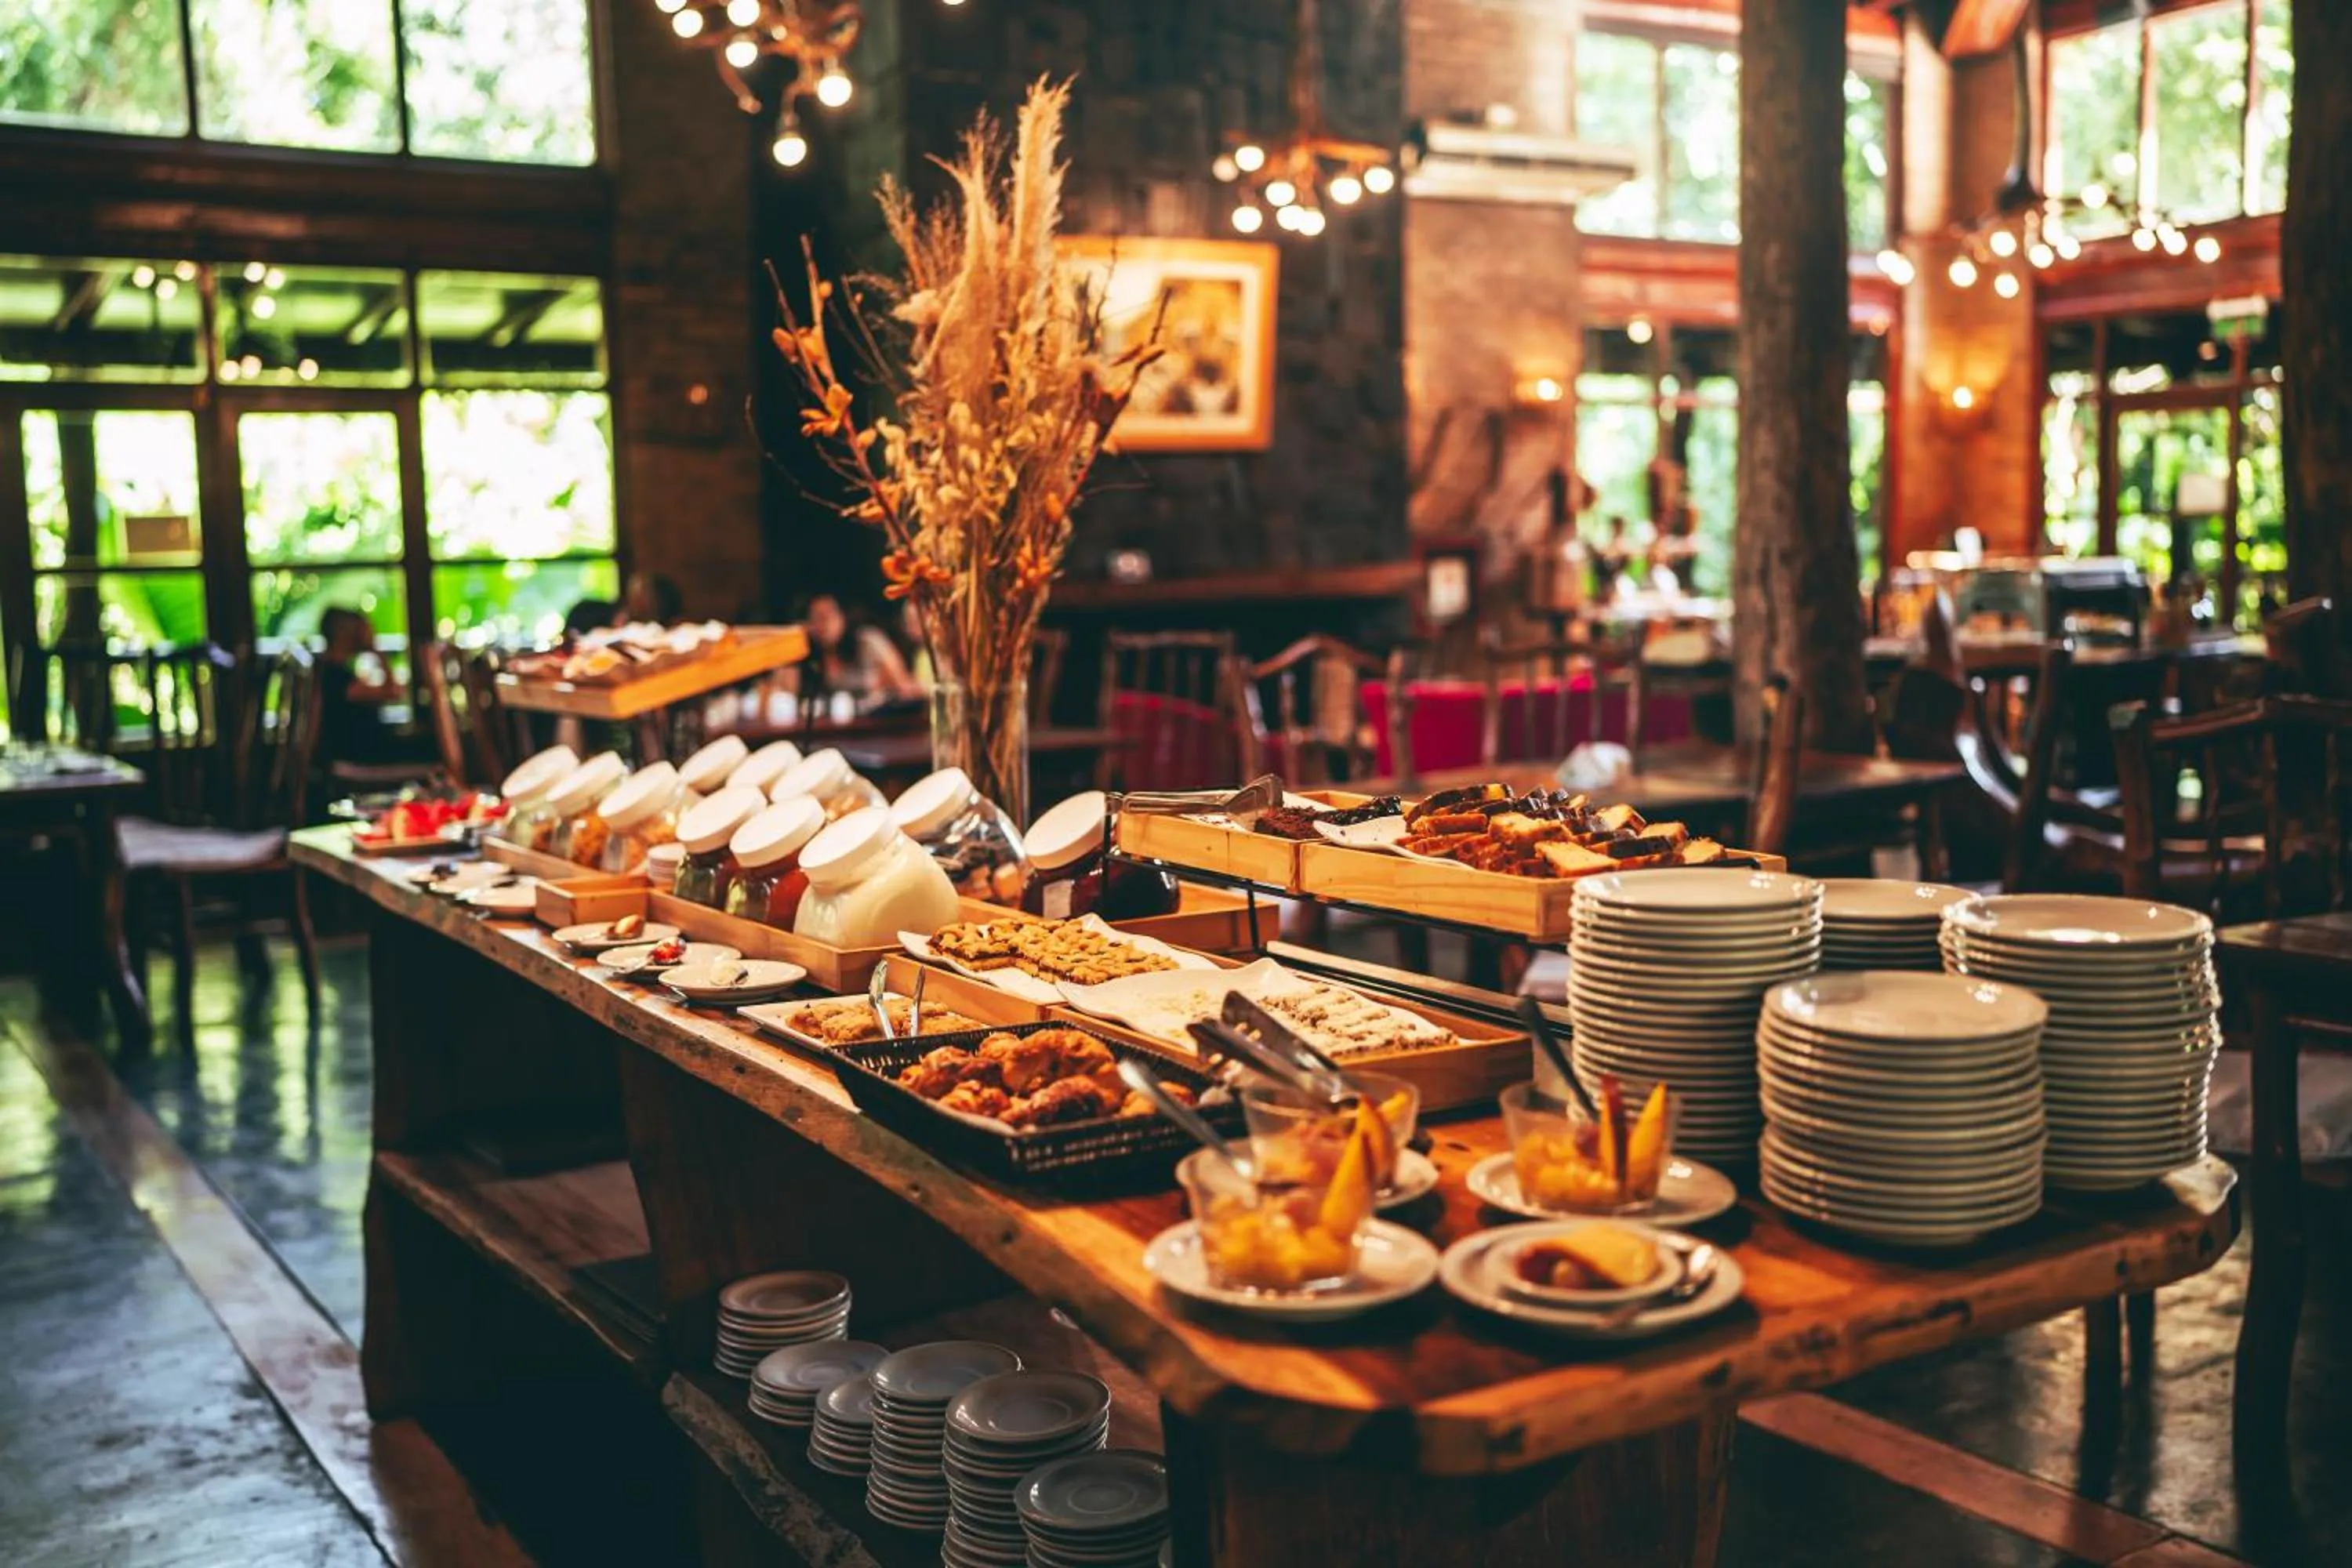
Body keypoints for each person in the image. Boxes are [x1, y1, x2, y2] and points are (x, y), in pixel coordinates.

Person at [800, 593, 922, 708]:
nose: (822, 625)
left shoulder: (868, 641)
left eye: (827, 616)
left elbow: (904, 686)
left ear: (843, 616)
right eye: (815, 618)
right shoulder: (807, 655)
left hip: (879, 720)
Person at [316, 607, 402, 767]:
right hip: (358, 758)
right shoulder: (334, 677)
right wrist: (377, 651)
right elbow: (392, 692)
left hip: (364, 753)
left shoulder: (335, 671)